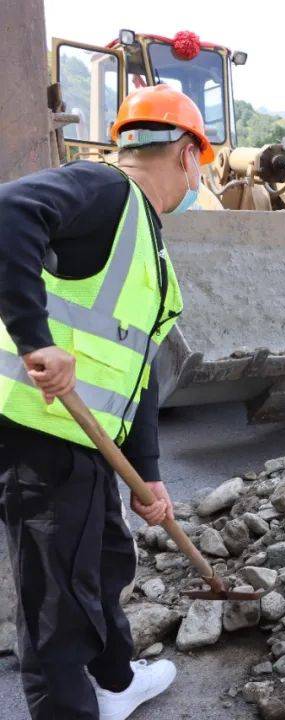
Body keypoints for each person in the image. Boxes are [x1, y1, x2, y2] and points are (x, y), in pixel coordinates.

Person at [0, 84, 200, 719]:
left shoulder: (148, 245)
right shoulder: (105, 190)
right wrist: (36, 340)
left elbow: (135, 380)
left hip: (83, 443)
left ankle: (115, 681)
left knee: (108, 557)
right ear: (189, 156)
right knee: (55, 613)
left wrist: (148, 478)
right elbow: (7, 212)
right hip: (41, 431)